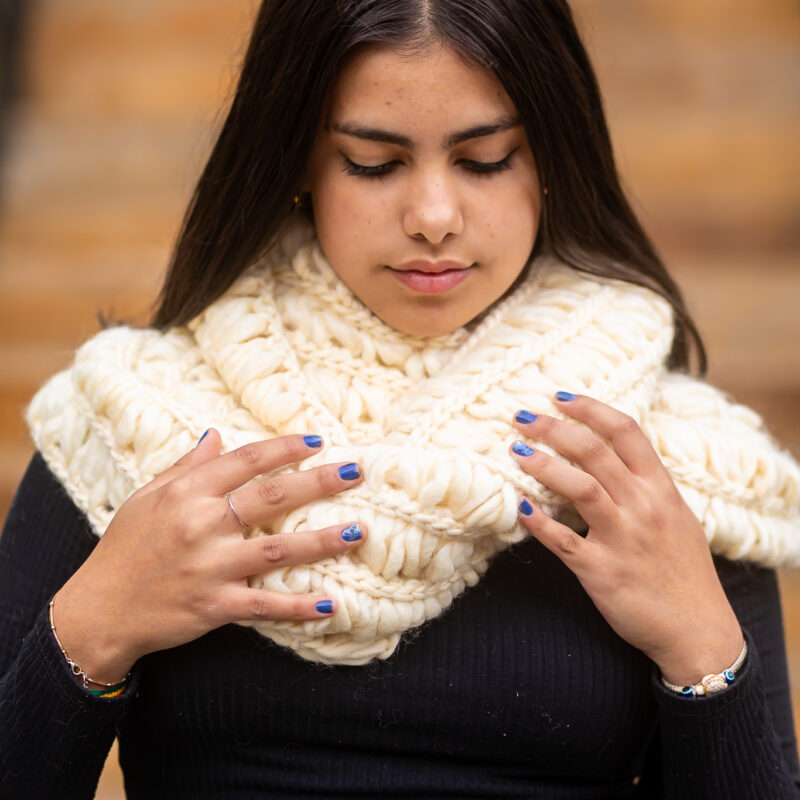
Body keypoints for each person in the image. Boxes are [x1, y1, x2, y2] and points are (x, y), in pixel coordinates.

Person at [1, 1, 799, 797]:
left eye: (485, 159)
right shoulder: (131, 425)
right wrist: (95, 627)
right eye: (374, 163)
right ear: (296, 165)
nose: (433, 219)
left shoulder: (671, 470)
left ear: (553, 157)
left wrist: (704, 652)